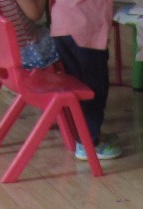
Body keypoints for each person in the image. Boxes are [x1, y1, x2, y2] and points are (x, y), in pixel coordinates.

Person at [50, 0, 120, 159]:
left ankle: (85, 135)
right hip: (86, 30)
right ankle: (89, 142)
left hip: (61, 25)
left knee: (78, 88)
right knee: (94, 90)